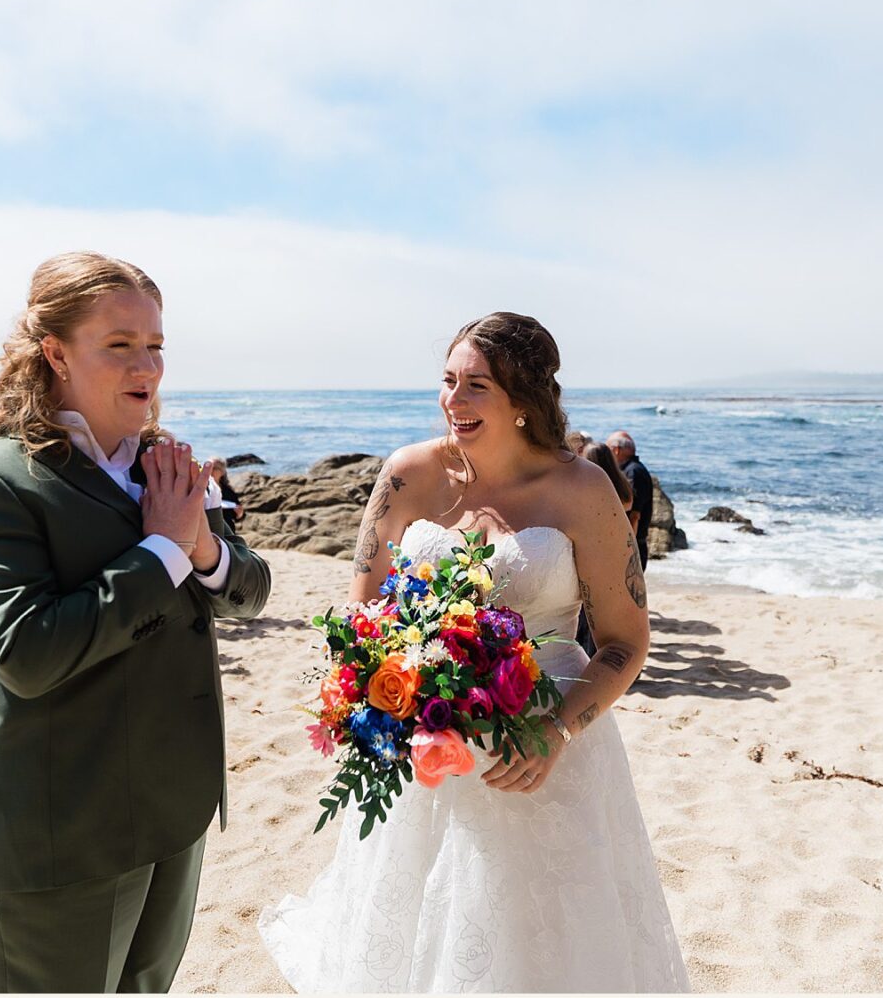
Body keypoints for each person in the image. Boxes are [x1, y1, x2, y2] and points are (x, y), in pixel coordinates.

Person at [258, 312, 688, 992]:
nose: (452, 401)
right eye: (448, 381)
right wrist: (379, 695)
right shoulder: (407, 475)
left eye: (476, 386)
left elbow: (625, 643)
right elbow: (362, 615)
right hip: (421, 753)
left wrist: (557, 731)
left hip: (544, 751)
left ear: (523, 402)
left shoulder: (582, 491)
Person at [0, 252, 272, 993]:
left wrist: (200, 543)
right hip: (67, 829)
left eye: (154, 345)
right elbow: (25, 653)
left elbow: (248, 591)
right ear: (55, 353)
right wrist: (159, 549)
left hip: (174, 809)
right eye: (119, 344)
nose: (145, 364)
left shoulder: (166, 464)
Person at [573, 439, 634, 655]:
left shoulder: (592, 490)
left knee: (587, 620)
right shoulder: (622, 488)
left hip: (594, 556)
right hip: (617, 555)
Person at [608, 429, 654, 569]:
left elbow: (634, 514)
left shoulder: (633, 472)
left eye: (608, 449)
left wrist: (626, 547)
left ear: (616, 450)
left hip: (633, 546)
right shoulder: (632, 469)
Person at [206, 456, 243, 532]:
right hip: (206, 530)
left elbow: (238, 517)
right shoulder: (200, 489)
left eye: (214, 468)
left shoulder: (228, 491)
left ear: (222, 472)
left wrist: (240, 514)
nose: (210, 470)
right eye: (208, 466)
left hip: (226, 531)